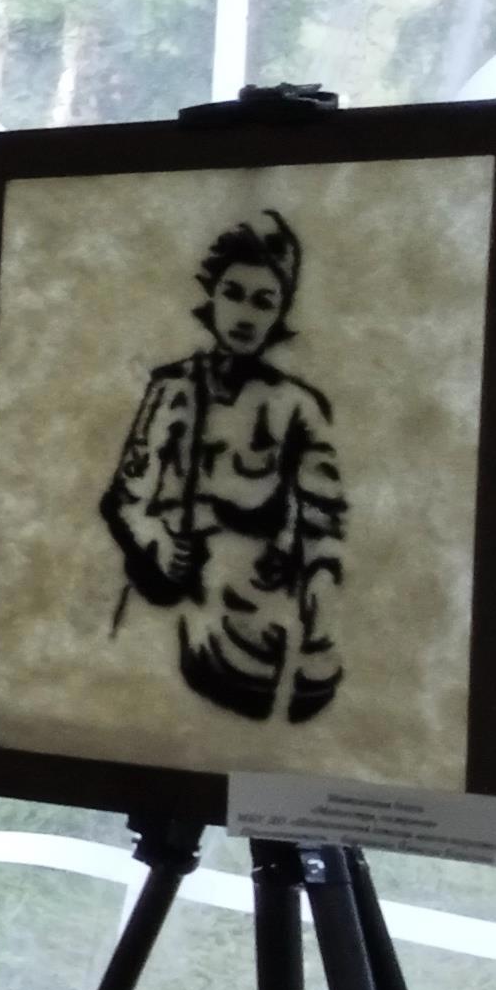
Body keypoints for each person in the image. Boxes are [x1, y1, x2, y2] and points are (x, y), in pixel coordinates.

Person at [101, 208, 344, 724]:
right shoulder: (171, 387)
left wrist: (310, 582)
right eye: (233, 293)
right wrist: (159, 545)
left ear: (279, 315)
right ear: (211, 297)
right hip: (165, 591)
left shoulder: (296, 406)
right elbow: (125, 496)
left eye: (264, 301)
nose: (245, 314)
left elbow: (325, 519)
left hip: (251, 600)